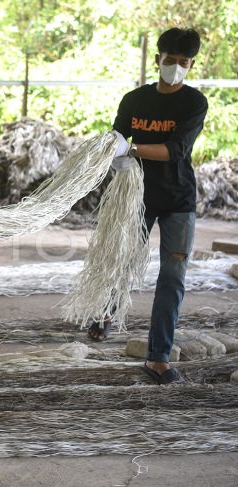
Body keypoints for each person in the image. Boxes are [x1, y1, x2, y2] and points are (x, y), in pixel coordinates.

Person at [87, 28, 208, 385]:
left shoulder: (193, 102)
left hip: (178, 200)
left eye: (182, 62)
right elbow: (118, 138)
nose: (175, 67)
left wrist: (132, 150)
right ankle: (108, 314)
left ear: (191, 65)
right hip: (135, 196)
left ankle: (158, 357)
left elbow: (175, 151)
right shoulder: (134, 99)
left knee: (172, 278)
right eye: (169, 60)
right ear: (158, 60)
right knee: (123, 261)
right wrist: (114, 154)